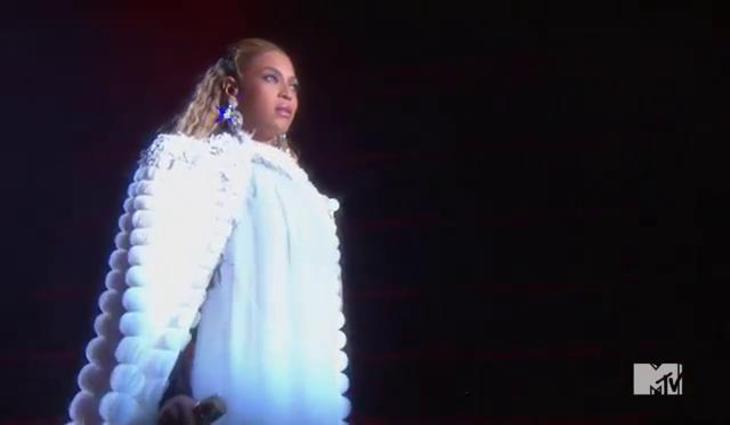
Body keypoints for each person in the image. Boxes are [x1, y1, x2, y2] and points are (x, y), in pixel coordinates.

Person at [65, 38, 351, 424]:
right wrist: (175, 391)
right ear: (233, 88)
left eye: (293, 85)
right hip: (220, 380)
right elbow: (165, 292)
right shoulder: (193, 164)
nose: (287, 93)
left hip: (293, 391)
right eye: (271, 78)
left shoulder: (307, 196)